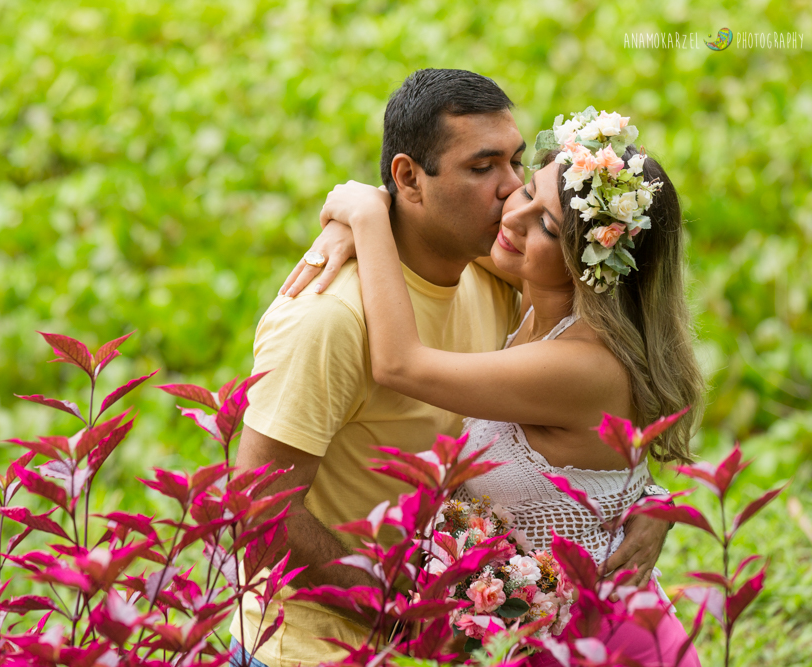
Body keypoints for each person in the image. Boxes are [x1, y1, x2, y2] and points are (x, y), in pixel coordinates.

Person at [229, 70, 672, 667]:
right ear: (409, 177)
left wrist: (647, 500)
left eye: (516, 163)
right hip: (315, 650)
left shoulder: (498, 277)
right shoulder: (332, 319)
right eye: (482, 167)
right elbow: (258, 514)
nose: (511, 194)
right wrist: (405, 621)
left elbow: (601, 406)